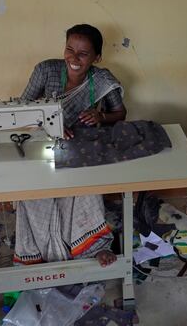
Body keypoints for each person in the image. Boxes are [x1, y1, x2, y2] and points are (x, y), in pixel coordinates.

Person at [14, 24, 126, 266]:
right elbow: (22, 110)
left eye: (83, 54)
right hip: (42, 142)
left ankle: (91, 246)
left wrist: (101, 117)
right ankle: (40, 251)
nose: (74, 58)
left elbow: (119, 113)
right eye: (69, 50)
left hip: (82, 146)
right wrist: (47, 125)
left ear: (97, 57)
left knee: (83, 190)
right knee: (32, 193)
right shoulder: (46, 70)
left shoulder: (101, 79)